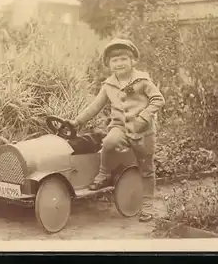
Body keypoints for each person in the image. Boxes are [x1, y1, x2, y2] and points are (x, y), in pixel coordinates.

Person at [68, 38, 165, 222]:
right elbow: (95, 106)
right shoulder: (109, 85)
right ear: (108, 64)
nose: (119, 63)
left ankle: (147, 206)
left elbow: (158, 100)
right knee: (108, 142)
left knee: (146, 170)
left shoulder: (142, 80)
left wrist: (144, 117)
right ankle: (104, 173)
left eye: (123, 59)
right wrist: (77, 121)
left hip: (143, 132)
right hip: (120, 127)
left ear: (132, 61)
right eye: (114, 60)